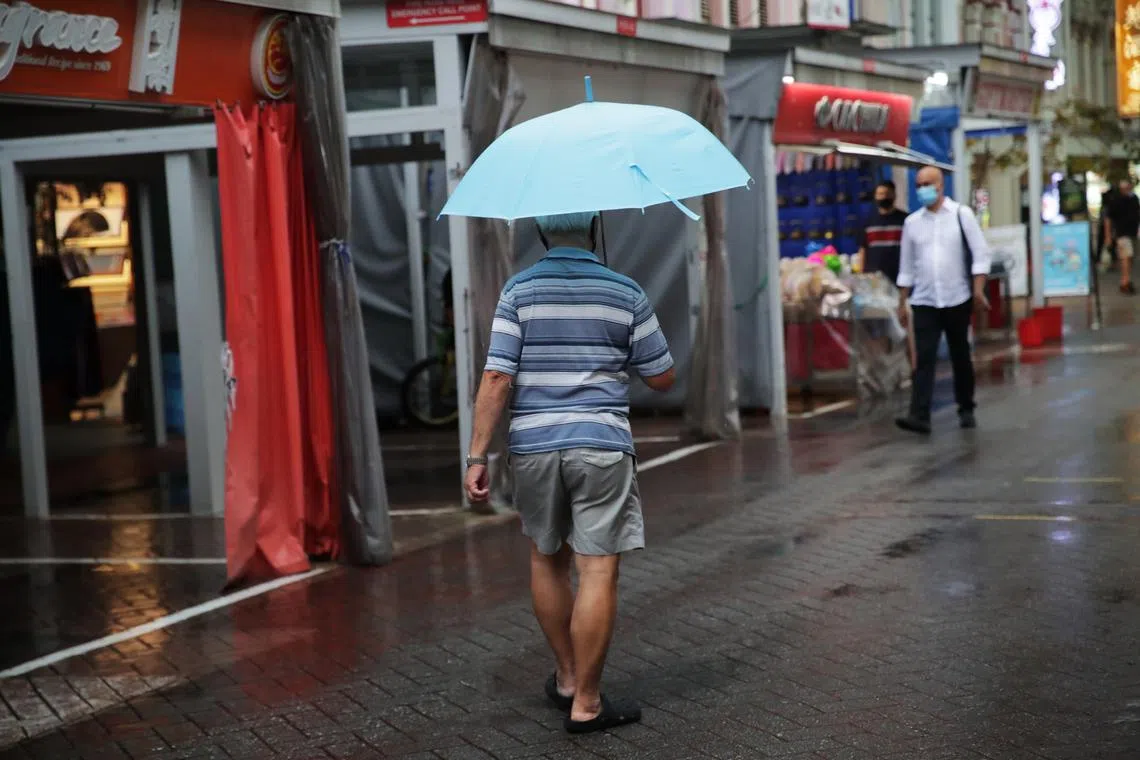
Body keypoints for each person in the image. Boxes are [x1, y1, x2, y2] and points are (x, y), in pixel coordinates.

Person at [463, 211, 674, 734]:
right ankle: (587, 701)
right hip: (601, 444)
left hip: (533, 446)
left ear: (542, 231)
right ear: (595, 227)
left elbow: (496, 377)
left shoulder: (519, 290)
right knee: (597, 569)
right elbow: (663, 375)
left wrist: (475, 455)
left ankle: (564, 676)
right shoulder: (624, 290)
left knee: (546, 559)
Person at [895, 166, 992, 434]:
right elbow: (906, 267)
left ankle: (966, 408)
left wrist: (978, 290)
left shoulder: (962, 215)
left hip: (957, 297)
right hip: (924, 300)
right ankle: (919, 415)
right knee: (923, 357)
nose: (923, 189)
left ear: (940, 185)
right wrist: (902, 302)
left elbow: (981, 254)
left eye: (928, 183)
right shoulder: (912, 223)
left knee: (960, 354)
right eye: (919, 184)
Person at [855, 179, 908, 284]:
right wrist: (861, 276)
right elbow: (862, 250)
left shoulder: (905, 220)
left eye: (887, 194)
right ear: (875, 196)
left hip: (899, 277)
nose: (884, 197)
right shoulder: (868, 221)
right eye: (880, 194)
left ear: (894, 195)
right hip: (874, 279)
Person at [1105, 178, 1138, 295]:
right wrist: (1108, 236)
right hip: (1122, 233)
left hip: (1132, 233)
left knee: (1129, 257)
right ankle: (1125, 281)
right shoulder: (1116, 200)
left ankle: (1126, 280)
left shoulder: (1134, 199)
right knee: (1126, 256)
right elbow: (1108, 219)